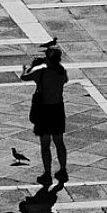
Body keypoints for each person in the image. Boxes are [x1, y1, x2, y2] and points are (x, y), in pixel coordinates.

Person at [21, 45, 68, 186]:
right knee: (59, 142)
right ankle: (63, 170)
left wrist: (29, 67)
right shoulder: (61, 72)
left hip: (44, 110)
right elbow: (64, 81)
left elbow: (24, 77)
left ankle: (47, 174)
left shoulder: (41, 72)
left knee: (45, 144)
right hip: (58, 109)